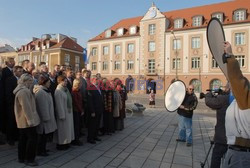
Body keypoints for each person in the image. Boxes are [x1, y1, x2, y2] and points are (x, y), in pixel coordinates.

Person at [222, 42, 250, 168]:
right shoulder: (241, 101)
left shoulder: (245, 100)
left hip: (240, 155)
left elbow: (236, 78)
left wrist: (230, 55)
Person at [13, 73, 40, 166]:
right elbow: (26, 107)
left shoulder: (23, 90)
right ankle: (29, 159)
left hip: (23, 120)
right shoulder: (23, 91)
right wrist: (30, 120)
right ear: (25, 81)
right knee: (31, 139)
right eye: (29, 81)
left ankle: (22, 157)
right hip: (27, 121)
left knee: (23, 139)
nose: (31, 83)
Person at [205, 84, 230, 168]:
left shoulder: (224, 99)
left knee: (216, 157)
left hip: (222, 136)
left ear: (227, 88)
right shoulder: (242, 99)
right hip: (238, 138)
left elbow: (208, 102)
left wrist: (209, 93)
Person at [33, 74, 57, 156]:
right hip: (44, 119)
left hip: (47, 117)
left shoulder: (46, 90)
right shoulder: (40, 92)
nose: (50, 83)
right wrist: (46, 117)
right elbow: (42, 107)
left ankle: (43, 149)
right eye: (48, 82)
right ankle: (40, 151)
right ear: (44, 83)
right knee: (42, 136)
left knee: (44, 136)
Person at [53, 75, 74, 150]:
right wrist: (61, 115)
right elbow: (59, 104)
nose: (65, 82)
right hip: (63, 113)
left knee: (67, 129)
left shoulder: (66, 89)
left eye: (66, 81)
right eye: (64, 81)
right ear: (59, 81)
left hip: (68, 112)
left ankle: (67, 142)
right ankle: (61, 144)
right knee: (62, 130)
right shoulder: (58, 90)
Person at [5, 66, 23, 146]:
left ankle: (17, 137)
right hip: (12, 104)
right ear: (14, 72)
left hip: (20, 104)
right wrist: (11, 104)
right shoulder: (10, 80)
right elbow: (8, 93)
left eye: (22, 71)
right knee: (11, 121)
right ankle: (10, 138)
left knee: (18, 121)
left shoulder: (22, 80)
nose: (21, 73)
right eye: (19, 71)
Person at [87, 75, 103, 144]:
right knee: (92, 125)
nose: (98, 80)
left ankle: (95, 136)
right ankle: (90, 138)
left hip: (99, 109)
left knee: (97, 124)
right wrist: (92, 111)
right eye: (96, 79)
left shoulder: (98, 87)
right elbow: (90, 101)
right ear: (93, 80)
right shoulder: (90, 88)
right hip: (94, 110)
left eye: (98, 79)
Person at [71, 78, 84, 146]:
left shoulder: (78, 90)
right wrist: (81, 110)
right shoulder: (74, 91)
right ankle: (75, 140)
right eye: (80, 84)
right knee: (76, 126)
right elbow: (76, 102)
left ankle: (77, 139)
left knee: (78, 125)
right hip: (76, 111)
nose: (81, 85)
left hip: (79, 110)